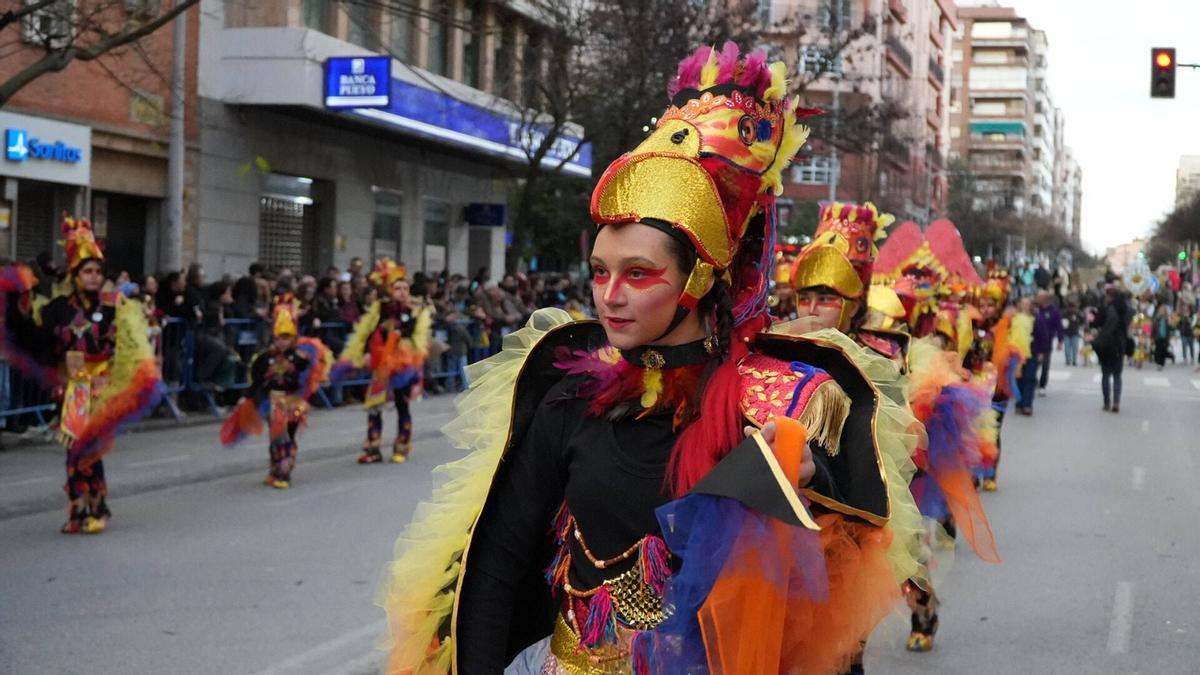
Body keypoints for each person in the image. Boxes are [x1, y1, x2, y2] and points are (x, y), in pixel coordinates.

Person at [379, 44, 916, 674]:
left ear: (699, 278)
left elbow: (823, 623)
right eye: (600, 272)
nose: (610, 296)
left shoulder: (788, 401)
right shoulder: (568, 391)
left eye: (638, 274)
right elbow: (500, 557)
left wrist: (805, 484)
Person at [0, 217, 162, 533]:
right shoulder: (56, 309)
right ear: (75, 275)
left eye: (98, 272)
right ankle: (78, 509)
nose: (94, 277)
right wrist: (15, 298)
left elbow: (129, 348)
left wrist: (121, 378)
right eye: (87, 271)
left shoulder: (115, 308)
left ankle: (96, 507)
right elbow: (35, 339)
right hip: (73, 390)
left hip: (101, 387)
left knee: (88, 449)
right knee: (75, 451)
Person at [221, 301, 332, 488]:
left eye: (286, 338)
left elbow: (309, 379)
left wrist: (316, 381)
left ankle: (285, 470)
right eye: (279, 337)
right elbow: (257, 381)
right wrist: (246, 397)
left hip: (294, 402)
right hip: (273, 402)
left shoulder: (300, 359)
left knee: (288, 436)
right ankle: (276, 468)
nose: (282, 342)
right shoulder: (265, 358)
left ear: (293, 338)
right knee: (276, 436)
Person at [335, 259, 431, 464]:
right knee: (374, 405)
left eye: (405, 288)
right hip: (382, 363)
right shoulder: (380, 308)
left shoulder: (416, 310)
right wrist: (362, 353)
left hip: (403, 364)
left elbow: (418, 339)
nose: (402, 292)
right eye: (398, 288)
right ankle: (373, 447)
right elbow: (367, 331)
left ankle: (402, 446)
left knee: (402, 404)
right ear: (390, 289)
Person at [964, 272, 1032, 491]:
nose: (985, 309)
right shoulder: (971, 326)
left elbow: (1013, 355)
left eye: (990, 305)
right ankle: (974, 474)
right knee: (973, 432)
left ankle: (990, 473)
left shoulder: (1006, 326)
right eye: (982, 304)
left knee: (993, 430)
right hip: (974, 387)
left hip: (997, 389)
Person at [1092, 286, 1128, 412]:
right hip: (1119, 344)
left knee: (1106, 374)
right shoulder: (1124, 310)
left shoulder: (1106, 309)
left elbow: (1096, 323)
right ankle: (1116, 402)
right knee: (1117, 375)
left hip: (1106, 344)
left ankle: (1107, 402)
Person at [1033, 291, 1063, 393]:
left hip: (1047, 341)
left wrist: (1060, 340)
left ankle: (1042, 385)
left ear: (1045, 299)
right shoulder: (1036, 310)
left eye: (1039, 297)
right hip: (1034, 341)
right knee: (1034, 363)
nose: (1037, 299)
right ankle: (1033, 381)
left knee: (1045, 364)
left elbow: (1059, 326)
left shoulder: (1053, 311)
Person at [1152, 303, 1173, 370]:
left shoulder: (1168, 318)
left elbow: (1172, 328)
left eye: (1164, 310)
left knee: (1163, 351)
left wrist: (1170, 323)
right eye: (1161, 310)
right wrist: (1152, 336)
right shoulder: (1157, 318)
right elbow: (1153, 328)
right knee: (1157, 351)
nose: (1163, 312)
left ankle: (1161, 364)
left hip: (1165, 337)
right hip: (1158, 337)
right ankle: (1159, 362)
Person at [1063, 301, 1084, 366]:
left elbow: (1082, 321)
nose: (1072, 309)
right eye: (1071, 308)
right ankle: (1068, 360)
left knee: (1075, 348)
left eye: (1073, 308)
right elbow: (1062, 322)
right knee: (1067, 348)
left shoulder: (1078, 314)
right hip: (1066, 333)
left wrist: (1077, 319)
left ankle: (1074, 360)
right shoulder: (1065, 314)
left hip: (1075, 333)